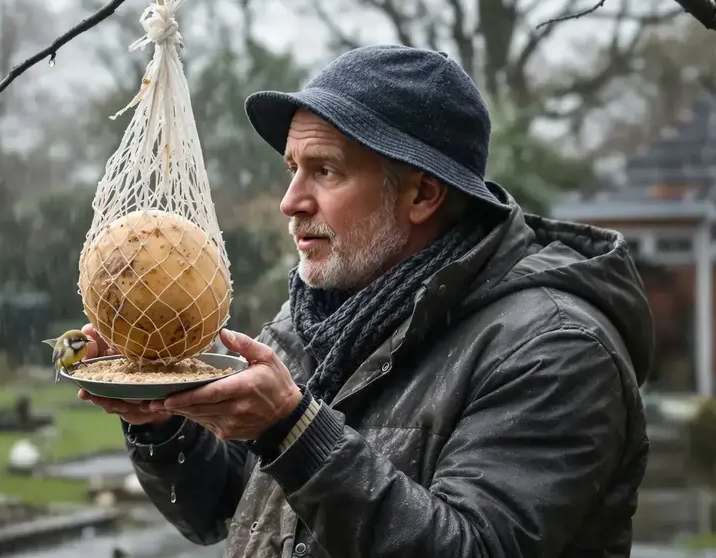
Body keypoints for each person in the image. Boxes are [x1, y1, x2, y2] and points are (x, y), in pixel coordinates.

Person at [76, 44, 653, 558]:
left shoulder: (554, 348)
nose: (290, 201)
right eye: (292, 169)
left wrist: (295, 433)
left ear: (422, 193)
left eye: (324, 171)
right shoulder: (314, 321)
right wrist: (162, 425)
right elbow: (221, 509)